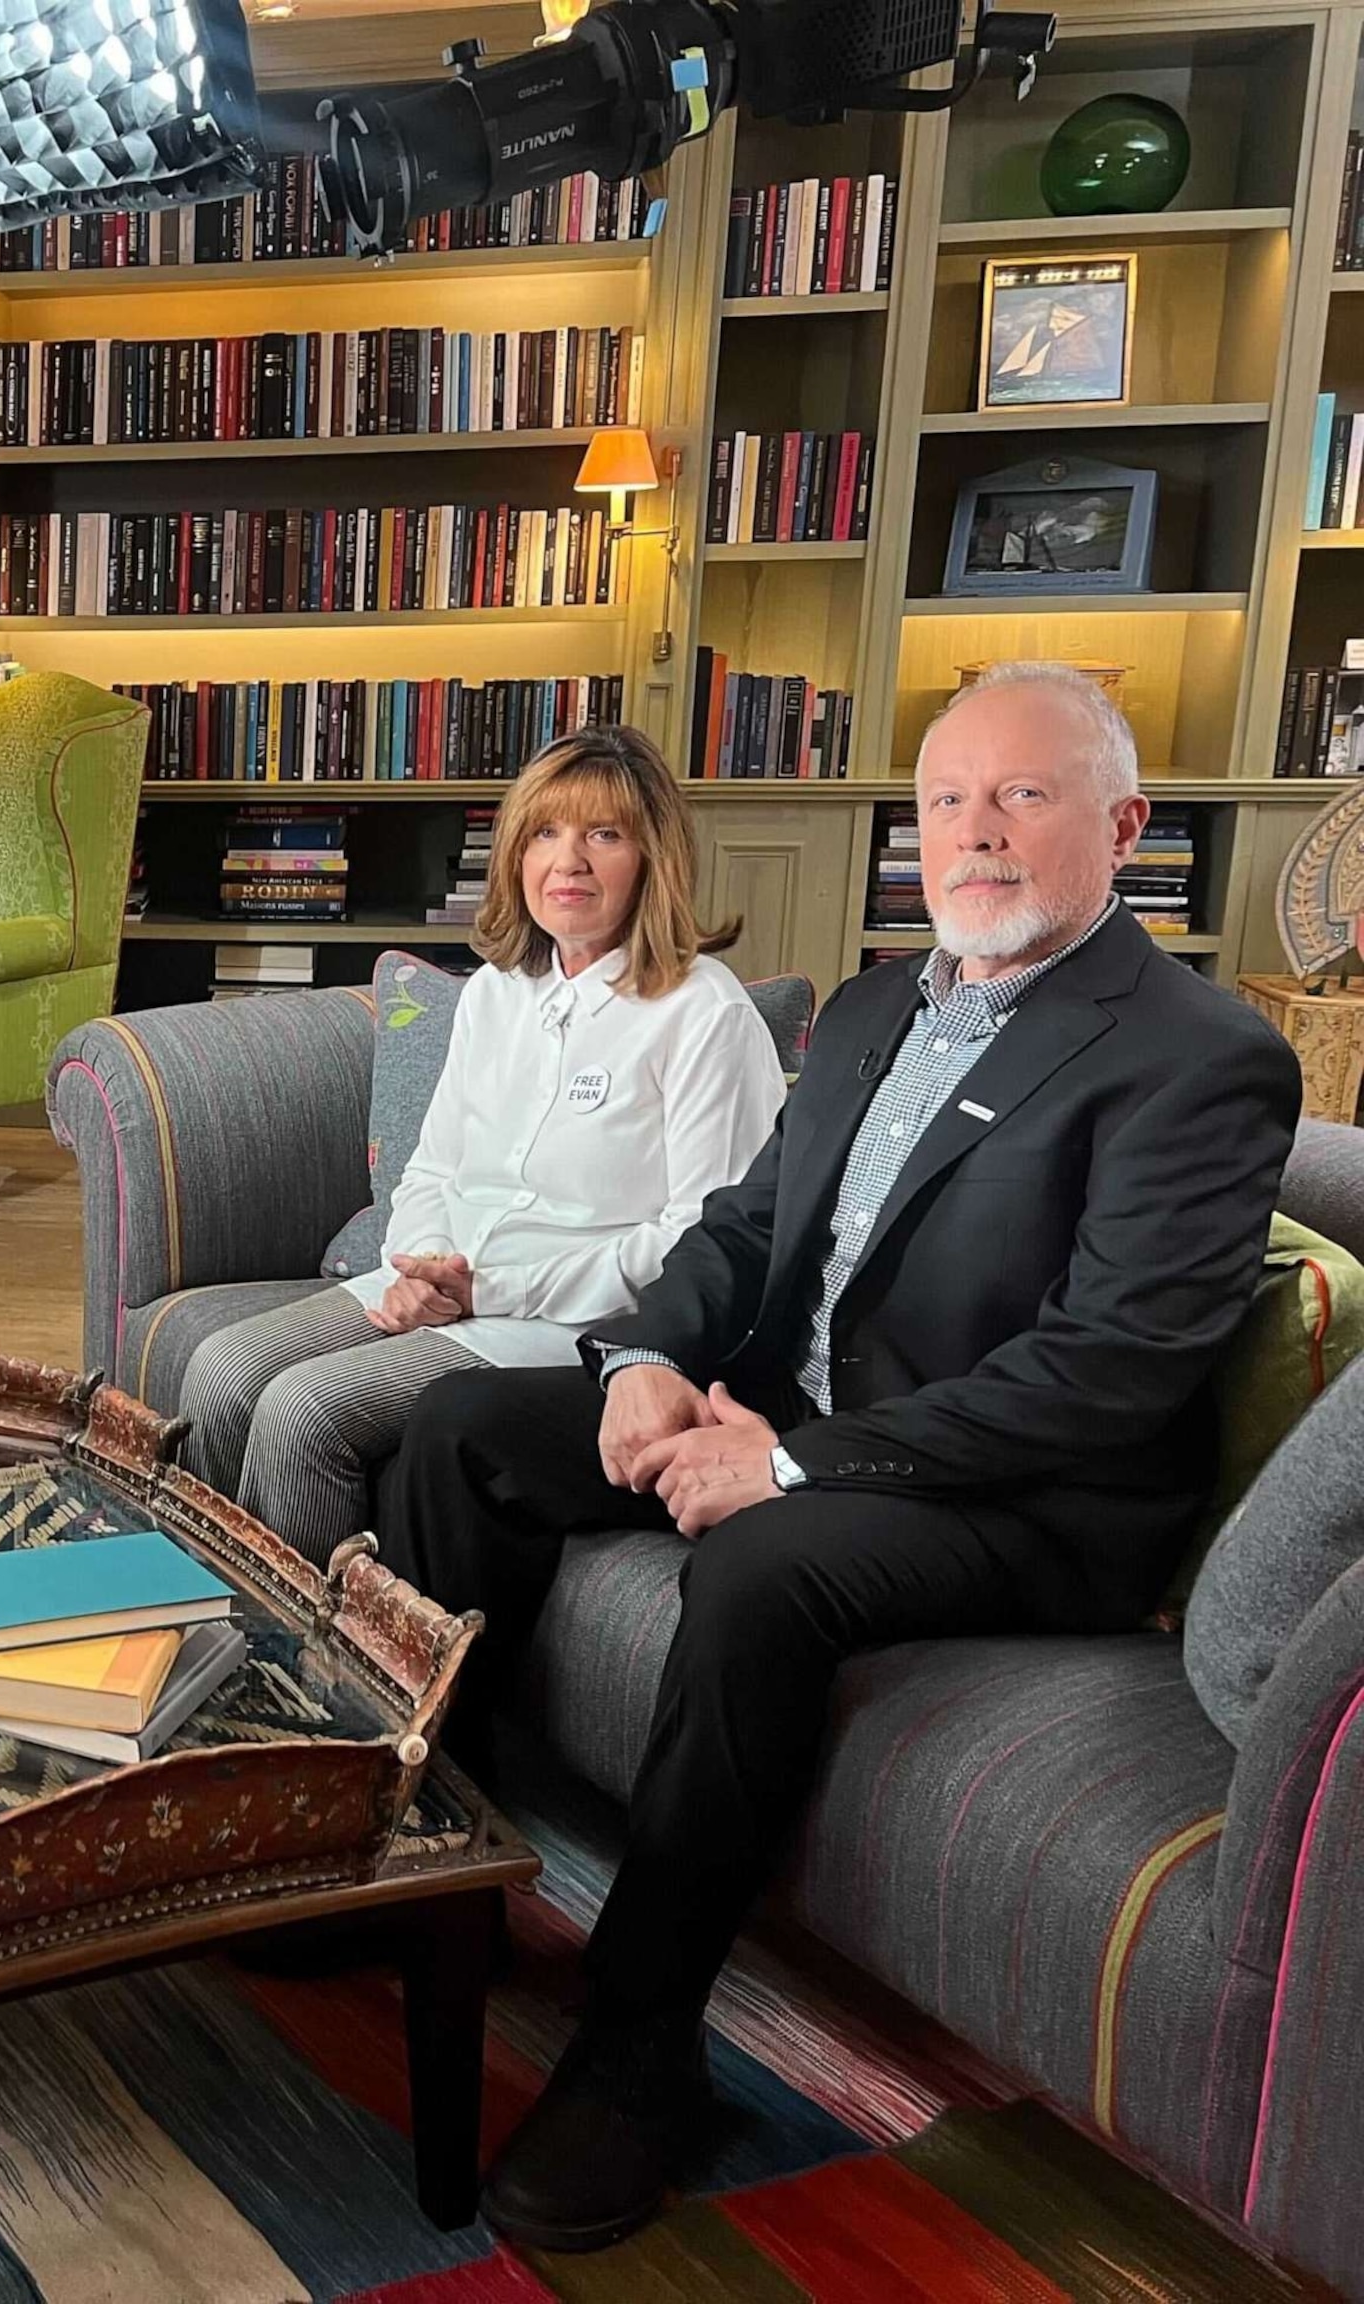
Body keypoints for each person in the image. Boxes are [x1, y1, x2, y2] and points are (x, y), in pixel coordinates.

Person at [375, 661, 1302, 2252]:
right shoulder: (878, 1007)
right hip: (795, 1414)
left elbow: (1109, 1371)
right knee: (461, 1432)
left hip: (1029, 1502)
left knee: (762, 1565)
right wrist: (650, 1358)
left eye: (1023, 795)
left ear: (1125, 823)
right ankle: (419, 1866)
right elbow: (749, 1232)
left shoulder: (1195, 1053)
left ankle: (640, 2048)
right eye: (947, 801)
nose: (976, 834)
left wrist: (803, 1468)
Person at [177, 725, 785, 1563]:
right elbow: (434, 1166)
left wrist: (485, 1288)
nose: (567, 862)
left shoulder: (703, 1014)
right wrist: (419, 1267)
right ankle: (219, 1621)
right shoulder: (498, 993)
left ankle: (317, 1673)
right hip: (445, 1286)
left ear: (652, 860)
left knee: (302, 1412)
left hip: (561, 1322)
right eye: (544, 833)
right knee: (220, 1368)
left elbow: (703, 1240)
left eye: (602, 835)